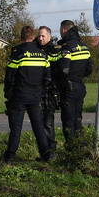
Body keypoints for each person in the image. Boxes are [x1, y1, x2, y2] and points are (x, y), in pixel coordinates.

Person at [2, 25, 55, 163]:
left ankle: (10, 156)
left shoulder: (17, 54)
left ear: (21, 37)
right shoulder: (42, 55)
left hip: (19, 96)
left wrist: (8, 93)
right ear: (34, 37)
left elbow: (9, 77)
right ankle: (46, 154)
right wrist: (41, 91)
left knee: (16, 128)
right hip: (35, 96)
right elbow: (48, 78)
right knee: (38, 127)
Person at [53, 19, 93, 142]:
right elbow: (89, 70)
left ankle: (71, 149)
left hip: (68, 88)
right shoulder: (84, 46)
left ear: (64, 29)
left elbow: (63, 69)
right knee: (78, 119)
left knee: (68, 121)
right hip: (80, 87)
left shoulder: (67, 47)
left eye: (61, 30)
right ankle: (81, 147)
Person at [36, 26, 60, 156]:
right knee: (39, 122)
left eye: (43, 36)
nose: (40, 38)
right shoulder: (35, 49)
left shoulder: (54, 51)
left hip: (50, 91)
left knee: (48, 122)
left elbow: (57, 71)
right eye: (39, 36)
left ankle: (51, 151)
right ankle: (44, 151)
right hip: (38, 90)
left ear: (49, 36)